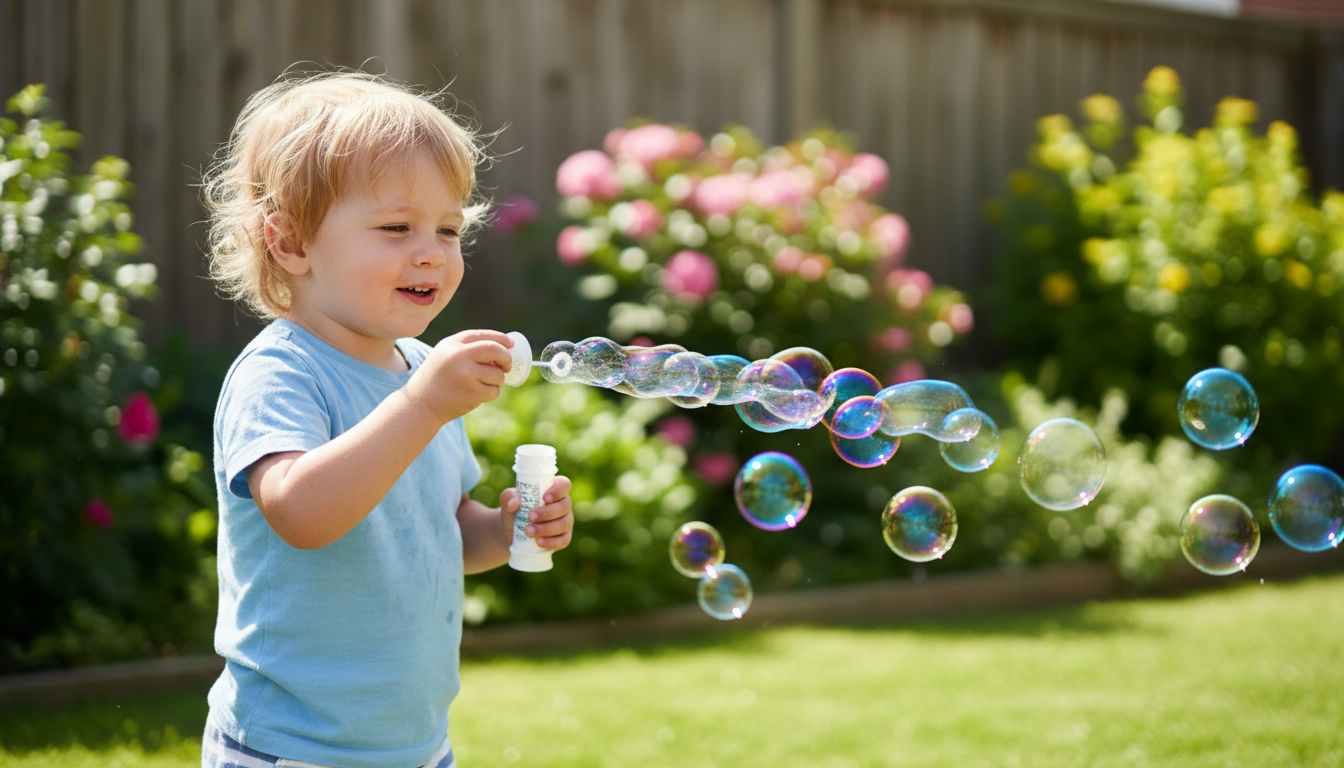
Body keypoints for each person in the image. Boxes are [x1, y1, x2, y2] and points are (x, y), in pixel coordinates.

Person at [199, 71, 574, 768]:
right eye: (396, 227)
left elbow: (442, 530)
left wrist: (507, 527)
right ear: (292, 244)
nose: (431, 250)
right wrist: (423, 404)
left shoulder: (416, 368)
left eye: (448, 228)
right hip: (294, 748)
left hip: (414, 745)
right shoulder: (281, 374)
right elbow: (301, 514)